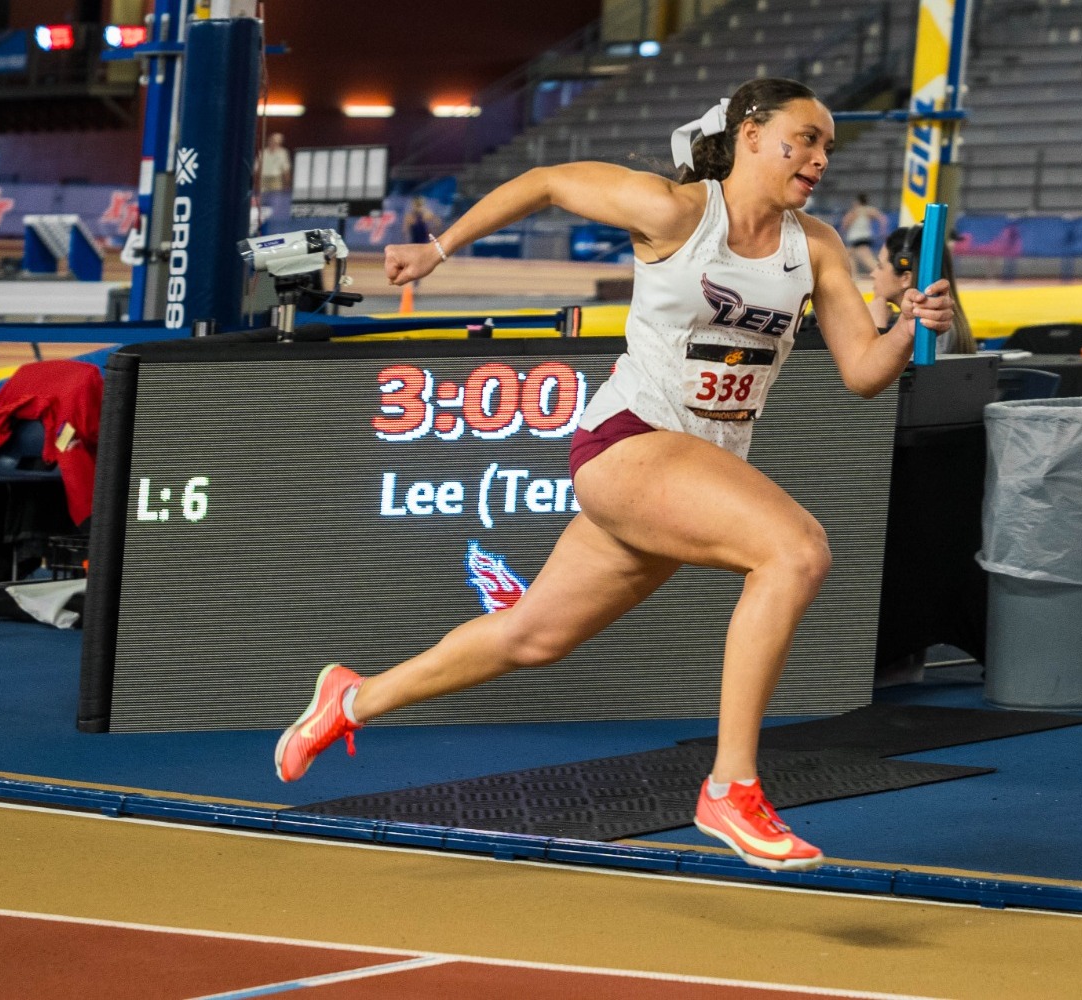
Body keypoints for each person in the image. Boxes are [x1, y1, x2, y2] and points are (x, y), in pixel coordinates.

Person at [272, 77, 954, 873]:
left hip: (696, 467)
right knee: (795, 551)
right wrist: (439, 249)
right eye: (803, 137)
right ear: (749, 134)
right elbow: (547, 181)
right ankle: (731, 787)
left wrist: (909, 325)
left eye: (828, 146)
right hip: (630, 443)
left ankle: (350, 699)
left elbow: (863, 373)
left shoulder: (821, 247)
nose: (818, 157)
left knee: (533, 636)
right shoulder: (675, 211)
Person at [873, 224, 973, 354]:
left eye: (880, 266)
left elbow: (905, 373)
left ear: (905, 278)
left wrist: (877, 329)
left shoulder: (929, 327)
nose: (873, 274)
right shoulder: (928, 323)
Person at [839, 192, 884, 277]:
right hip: (864, 237)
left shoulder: (855, 211)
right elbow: (882, 219)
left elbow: (845, 223)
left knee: (867, 259)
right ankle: (853, 275)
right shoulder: (869, 210)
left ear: (857, 202)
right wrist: (882, 230)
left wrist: (841, 234)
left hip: (857, 238)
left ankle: (880, 273)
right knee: (849, 256)